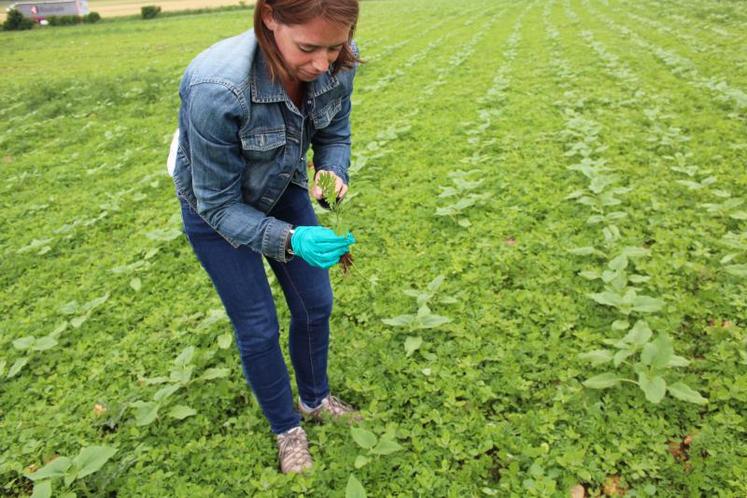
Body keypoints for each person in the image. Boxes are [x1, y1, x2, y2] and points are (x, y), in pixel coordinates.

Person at [167, 0, 362, 474]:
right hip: (215, 207)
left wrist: (330, 171)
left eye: (334, 47)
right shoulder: (216, 87)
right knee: (257, 325)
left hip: (281, 186)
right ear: (270, 17)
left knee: (316, 303)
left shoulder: (339, 59)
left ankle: (314, 400)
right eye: (309, 48)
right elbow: (217, 204)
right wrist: (291, 240)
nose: (322, 64)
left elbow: (333, 133)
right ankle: (286, 429)